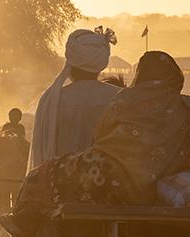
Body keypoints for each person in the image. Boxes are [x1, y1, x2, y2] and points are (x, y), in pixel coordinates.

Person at [0, 51, 190, 237]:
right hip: (157, 184)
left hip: (111, 177)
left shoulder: (126, 99)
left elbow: (101, 135)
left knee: (37, 177)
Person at [27, 27, 121, 173]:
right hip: (108, 182)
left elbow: (42, 153)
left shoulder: (53, 100)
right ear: (100, 65)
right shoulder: (120, 97)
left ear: (71, 63)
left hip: (62, 182)